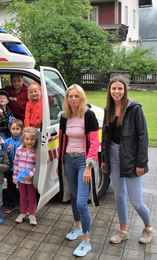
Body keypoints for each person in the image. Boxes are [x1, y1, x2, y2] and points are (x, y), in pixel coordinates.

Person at [101, 76, 154, 244]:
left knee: (136, 201)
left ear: (125, 90)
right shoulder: (107, 109)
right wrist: (104, 159)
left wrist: (141, 163)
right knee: (119, 195)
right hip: (113, 156)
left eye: (120, 88)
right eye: (114, 88)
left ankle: (149, 228)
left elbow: (143, 137)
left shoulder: (134, 109)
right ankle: (123, 231)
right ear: (110, 91)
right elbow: (105, 136)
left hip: (131, 159)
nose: (117, 91)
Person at [58, 84, 99, 257]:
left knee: (82, 202)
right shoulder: (65, 116)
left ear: (81, 97)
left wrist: (89, 166)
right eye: (70, 96)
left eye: (76, 96)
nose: (73, 99)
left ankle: (86, 241)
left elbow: (95, 143)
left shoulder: (89, 116)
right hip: (69, 160)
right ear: (67, 98)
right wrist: (59, 165)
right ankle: (77, 227)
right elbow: (61, 141)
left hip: (83, 161)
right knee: (74, 197)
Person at [13, 127, 38, 226]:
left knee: (32, 197)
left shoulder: (36, 151)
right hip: (21, 180)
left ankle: (31, 214)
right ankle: (22, 213)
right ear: (23, 139)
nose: (29, 141)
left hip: (31, 180)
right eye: (27, 139)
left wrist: (30, 174)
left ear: (35, 139)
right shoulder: (19, 150)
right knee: (22, 197)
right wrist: (15, 177)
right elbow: (15, 163)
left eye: (32, 139)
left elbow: (37, 166)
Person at [2, 118, 24, 213]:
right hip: (11, 168)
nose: (15, 131)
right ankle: (11, 203)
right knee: (11, 187)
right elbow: (3, 154)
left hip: (21, 168)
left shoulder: (23, 140)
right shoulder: (7, 141)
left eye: (17, 129)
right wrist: (8, 151)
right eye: (13, 129)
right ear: (10, 129)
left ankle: (24, 204)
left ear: (21, 129)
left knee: (23, 187)